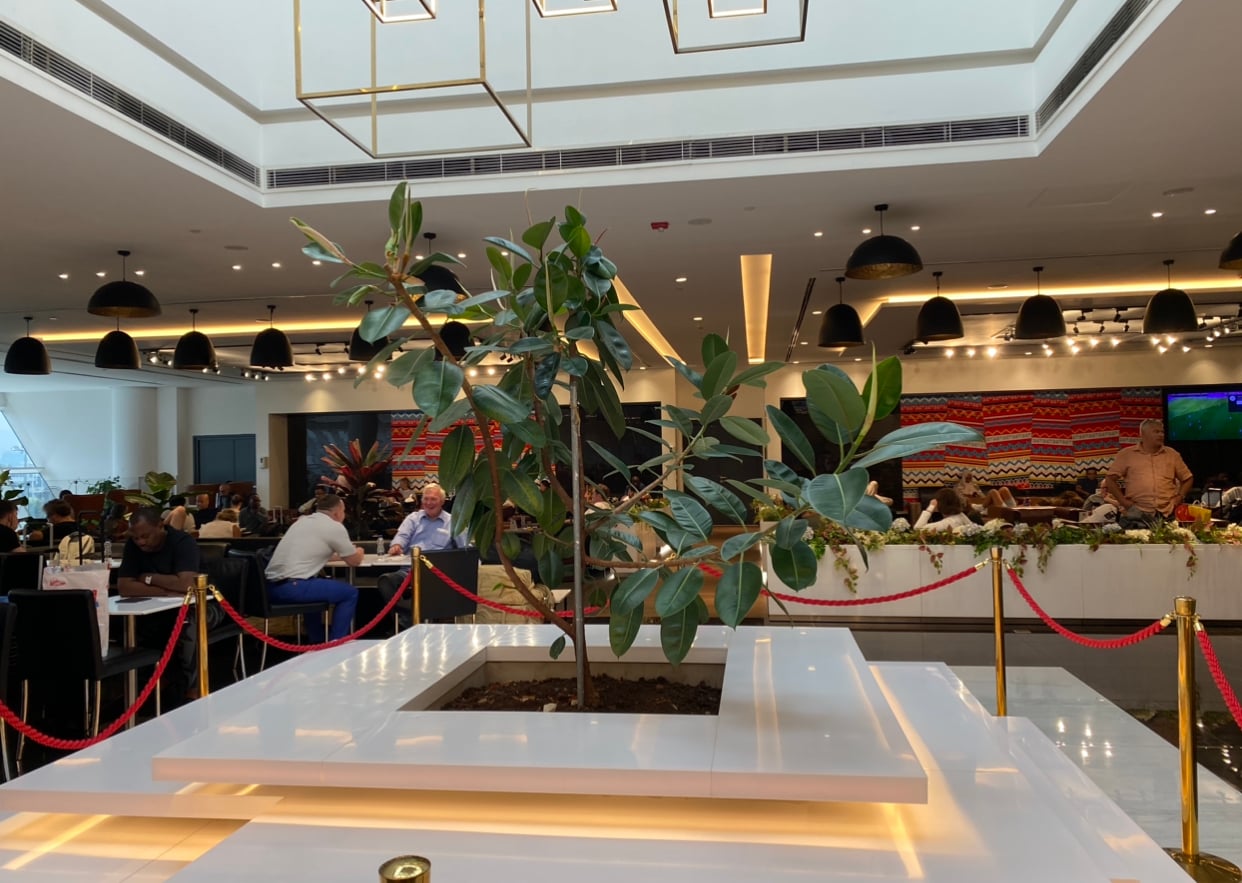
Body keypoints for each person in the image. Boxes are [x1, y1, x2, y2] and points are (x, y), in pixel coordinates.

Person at [116, 508, 224, 700]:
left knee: (189, 623)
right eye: (136, 538)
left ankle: (194, 688)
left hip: (206, 604)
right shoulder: (133, 546)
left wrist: (147, 578)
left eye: (145, 536)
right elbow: (124, 586)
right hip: (163, 605)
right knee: (133, 625)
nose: (140, 542)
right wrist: (166, 590)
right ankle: (151, 681)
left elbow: (186, 585)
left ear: (160, 526)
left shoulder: (183, 542)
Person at [264, 493, 362, 642]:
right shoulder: (334, 527)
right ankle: (338, 643)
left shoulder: (301, 522)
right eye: (344, 511)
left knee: (314, 591)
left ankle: (316, 643)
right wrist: (359, 551)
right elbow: (354, 561)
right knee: (350, 593)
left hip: (270, 588)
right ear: (337, 513)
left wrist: (341, 555)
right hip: (294, 587)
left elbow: (315, 552)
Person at [1104, 418, 1192, 524]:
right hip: (1136, 512)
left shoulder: (1172, 454)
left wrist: (1180, 497)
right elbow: (1110, 479)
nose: (1161, 435)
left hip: (1167, 512)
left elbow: (1188, 478)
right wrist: (1123, 502)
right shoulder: (1127, 454)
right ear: (1143, 434)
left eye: (1162, 432)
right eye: (1156, 432)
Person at [386, 483, 462, 555]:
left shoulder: (453, 522)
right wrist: (396, 546)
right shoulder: (412, 518)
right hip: (411, 562)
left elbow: (464, 548)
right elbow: (402, 536)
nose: (428, 503)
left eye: (433, 499)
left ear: (442, 502)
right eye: (426, 499)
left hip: (439, 564)